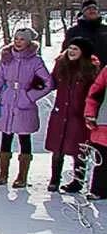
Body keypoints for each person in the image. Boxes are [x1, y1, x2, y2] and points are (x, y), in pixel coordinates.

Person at [0, 26, 53, 188]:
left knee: (24, 138)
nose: (18, 42)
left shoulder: (35, 61)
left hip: (24, 104)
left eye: (22, 39)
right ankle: (3, 173)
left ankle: (22, 176)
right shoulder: (6, 58)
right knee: (6, 137)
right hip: (8, 101)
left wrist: (29, 97)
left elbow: (48, 83)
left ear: (29, 42)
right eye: (16, 38)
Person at [44, 37, 99, 193]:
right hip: (61, 113)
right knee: (57, 147)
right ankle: (55, 179)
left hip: (79, 115)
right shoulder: (61, 65)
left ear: (83, 52)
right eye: (70, 48)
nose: (72, 52)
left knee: (79, 149)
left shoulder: (90, 69)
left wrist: (90, 112)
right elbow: (51, 82)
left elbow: (94, 93)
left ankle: (78, 180)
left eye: (76, 49)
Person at [83, 64, 107, 199]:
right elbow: (94, 93)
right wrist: (90, 114)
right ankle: (98, 189)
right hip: (104, 120)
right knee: (102, 159)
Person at [64, 0, 107, 65]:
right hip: (81, 71)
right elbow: (66, 53)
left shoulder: (105, 30)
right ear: (83, 12)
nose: (92, 11)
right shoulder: (73, 32)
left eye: (94, 9)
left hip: (104, 71)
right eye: (89, 9)